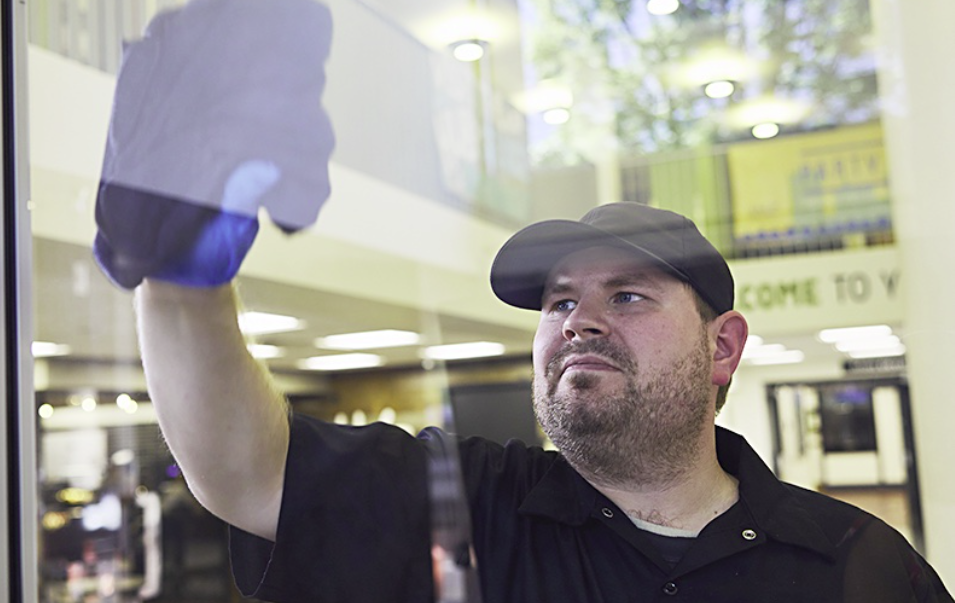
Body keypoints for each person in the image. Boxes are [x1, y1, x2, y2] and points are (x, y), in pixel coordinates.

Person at [131, 202, 952, 603]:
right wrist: (179, 281)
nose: (580, 321)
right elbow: (243, 469)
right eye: (559, 303)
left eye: (627, 296)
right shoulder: (464, 510)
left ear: (722, 347)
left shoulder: (860, 566)